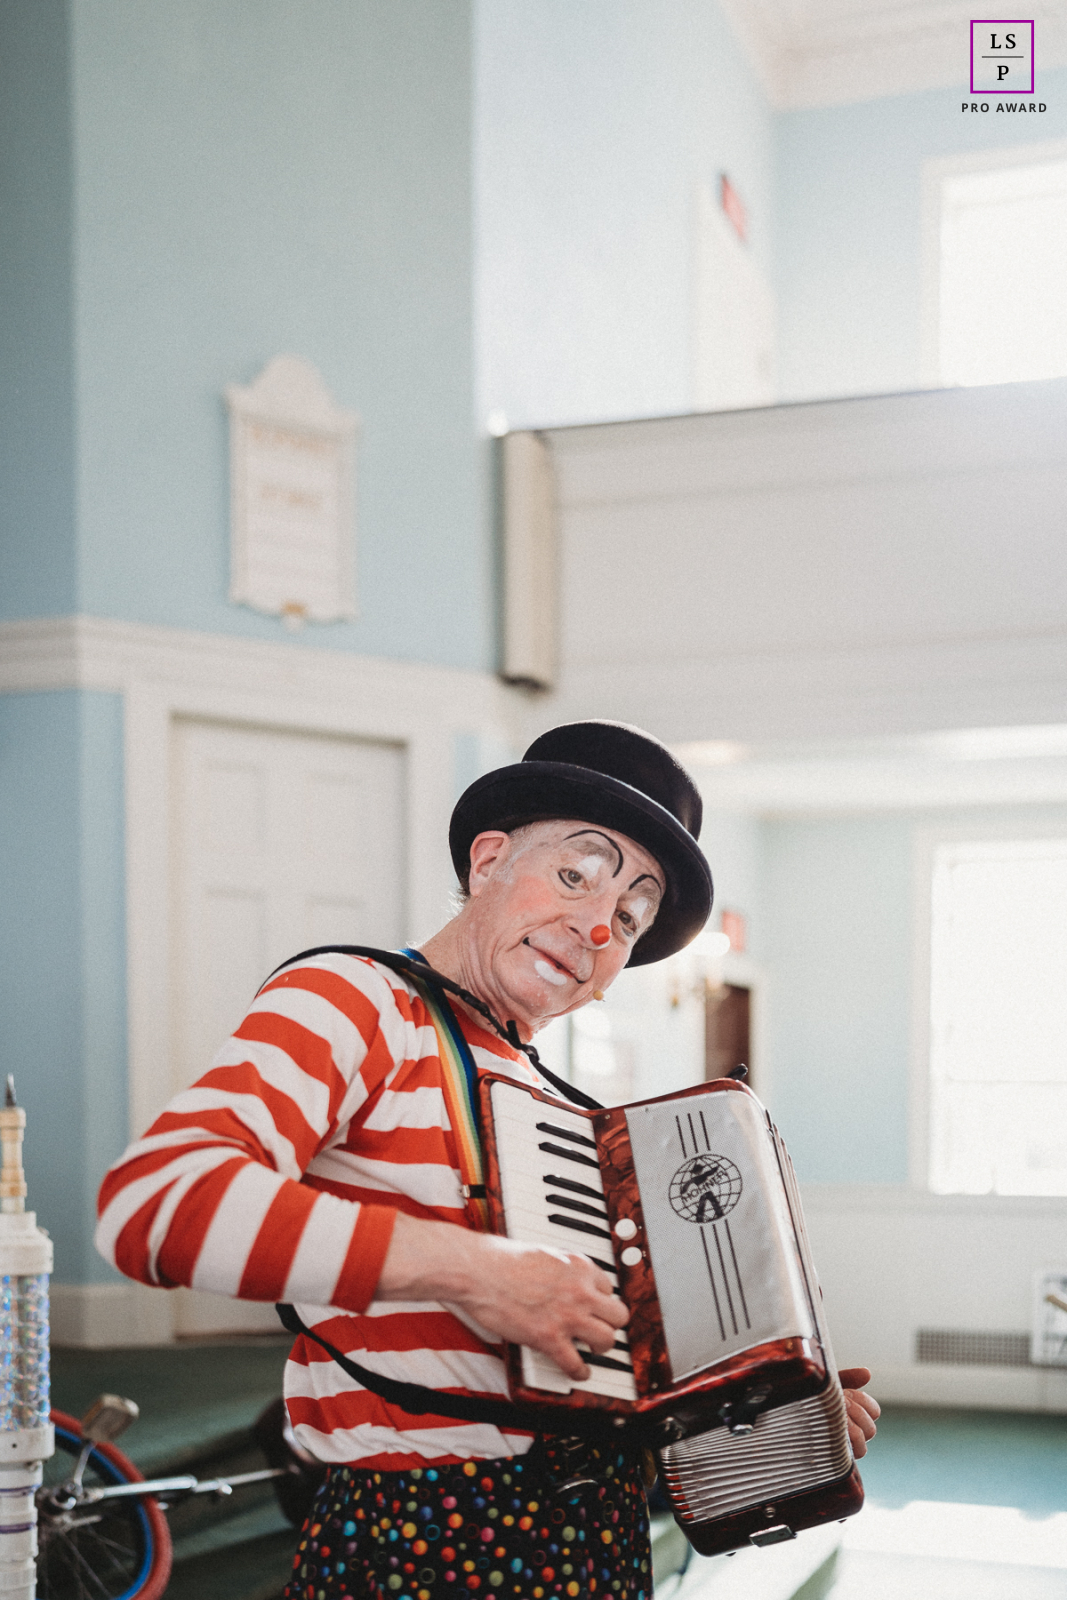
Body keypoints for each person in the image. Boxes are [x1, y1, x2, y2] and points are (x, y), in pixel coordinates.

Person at [96, 720, 878, 1600]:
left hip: (592, 1542)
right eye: (574, 874)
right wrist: (476, 1269)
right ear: (489, 860)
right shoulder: (360, 998)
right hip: (421, 1541)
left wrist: (782, 1422)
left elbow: (609, 1375)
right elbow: (154, 1204)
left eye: (627, 917)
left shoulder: (562, 1107)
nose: (592, 924)